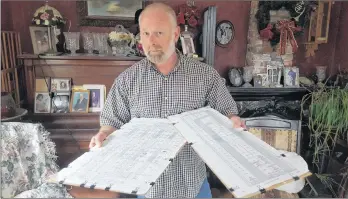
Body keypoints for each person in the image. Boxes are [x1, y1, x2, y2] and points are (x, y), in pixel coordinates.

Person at [89, 2, 246, 198]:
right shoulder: (127, 81)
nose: (151, 41)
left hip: (193, 188)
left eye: (159, 33)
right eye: (145, 33)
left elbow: (227, 112)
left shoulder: (206, 76)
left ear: (175, 34)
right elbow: (111, 123)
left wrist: (233, 121)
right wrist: (104, 134)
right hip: (147, 190)